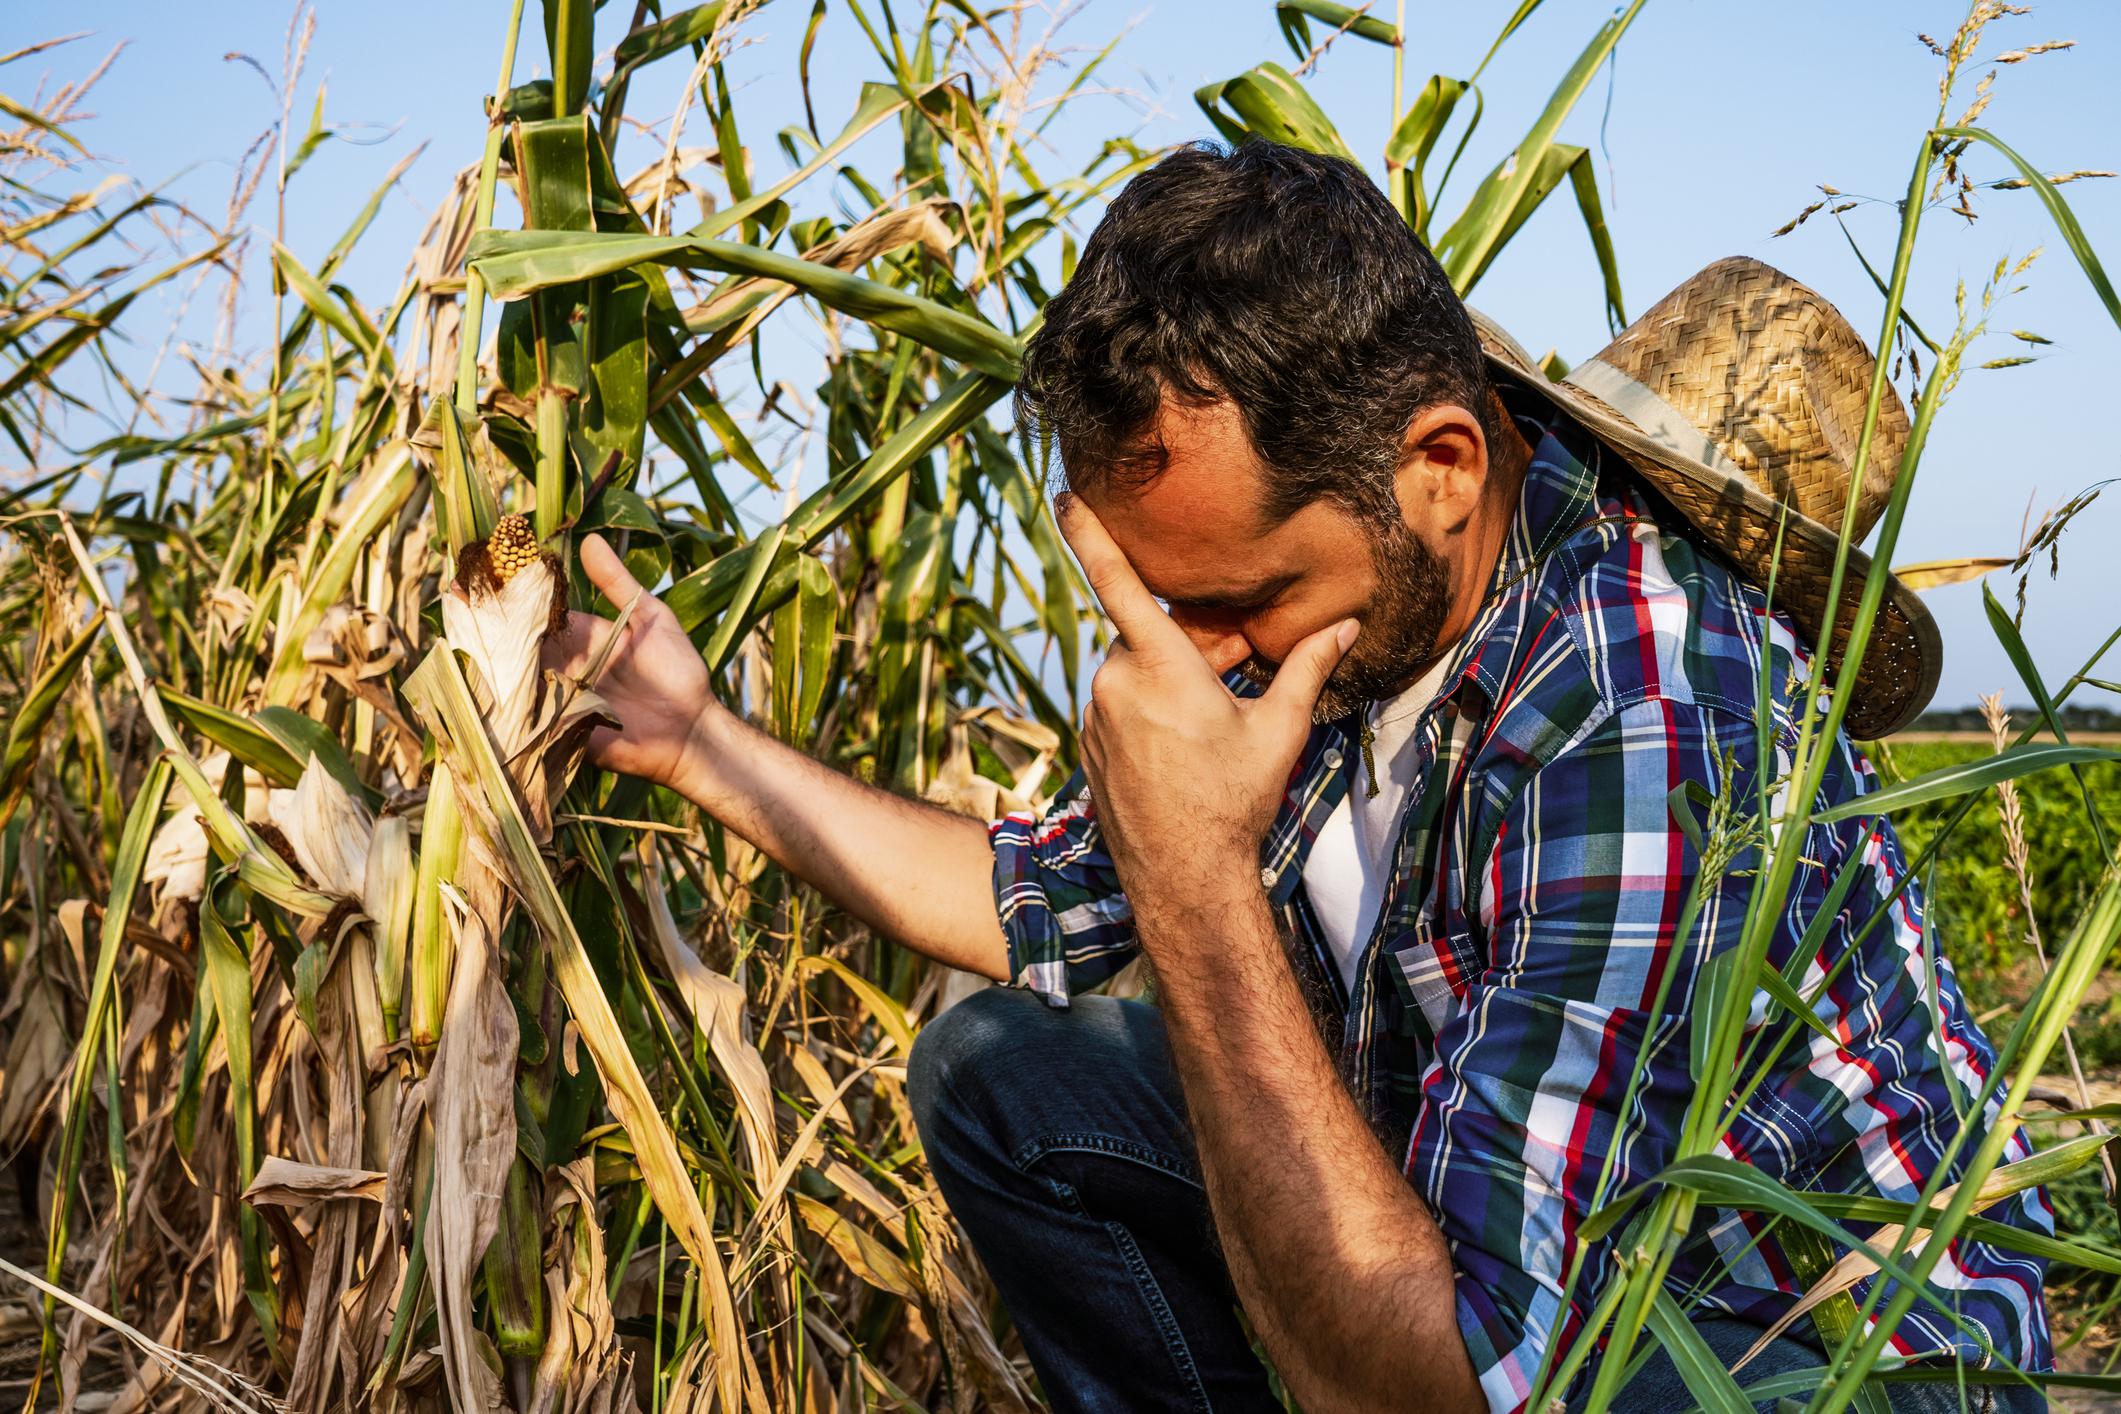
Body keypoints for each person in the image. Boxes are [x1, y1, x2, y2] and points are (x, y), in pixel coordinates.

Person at [547, 141, 2052, 1412]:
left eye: (1231, 598)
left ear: (1442, 470)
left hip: (1822, 1343)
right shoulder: (1339, 616)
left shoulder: (1647, 707)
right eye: (1152, 600)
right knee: (1004, 1072)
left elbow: (1475, 1371)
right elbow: (1033, 897)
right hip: (1515, 1262)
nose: (1188, 659)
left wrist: (1198, 884)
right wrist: (695, 739)